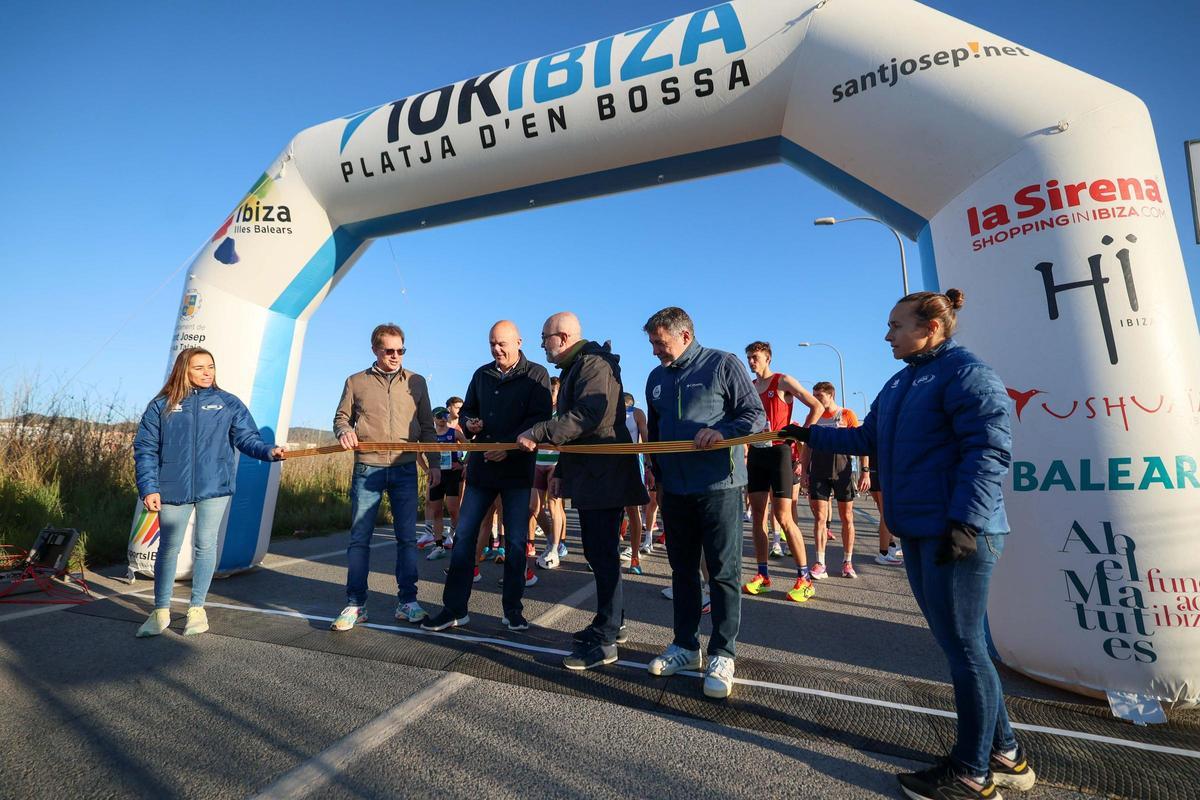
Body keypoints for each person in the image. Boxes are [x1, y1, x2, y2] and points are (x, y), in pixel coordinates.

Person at [781, 289, 1033, 800]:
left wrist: (967, 521)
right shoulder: (900, 382)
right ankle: (1005, 754)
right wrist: (808, 435)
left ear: (932, 326)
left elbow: (988, 449)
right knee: (964, 648)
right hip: (918, 528)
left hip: (958, 533)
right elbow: (866, 438)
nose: (887, 334)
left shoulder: (966, 373)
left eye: (896, 325)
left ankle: (972, 775)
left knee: (966, 650)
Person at [641, 307, 765, 699]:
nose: (656, 351)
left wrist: (722, 431)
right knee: (681, 570)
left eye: (660, 343)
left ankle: (723, 652)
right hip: (674, 489)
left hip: (719, 485)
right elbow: (658, 432)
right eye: (653, 344)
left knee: (723, 572)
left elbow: (755, 416)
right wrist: (656, 473)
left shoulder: (722, 364)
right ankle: (685, 646)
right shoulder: (656, 378)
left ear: (685, 336)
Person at [517, 312, 648, 670]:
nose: (541, 343)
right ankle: (612, 623)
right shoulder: (581, 365)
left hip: (605, 473)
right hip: (592, 471)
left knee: (602, 552)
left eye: (544, 337)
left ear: (563, 336)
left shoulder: (593, 364)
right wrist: (563, 468)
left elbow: (589, 416)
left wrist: (538, 432)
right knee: (598, 551)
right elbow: (583, 428)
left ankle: (606, 641)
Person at [133, 347, 283, 637]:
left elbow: (248, 438)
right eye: (199, 367)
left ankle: (196, 610)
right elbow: (145, 449)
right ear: (183, 370)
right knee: (169, 547)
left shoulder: (228, 403)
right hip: (172, 487)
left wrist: (269, 452)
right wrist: (149, 487)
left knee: (205, 544)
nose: (207, 372)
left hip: (215, 486)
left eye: (210, 367)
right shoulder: (161, 405)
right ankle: (160, 611)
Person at [423, 321, 552, 633]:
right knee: (465, 537)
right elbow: (466, 413)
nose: (497, 349)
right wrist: (470, 424)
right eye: (492, 344)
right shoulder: (482, 374)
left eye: (502, 343)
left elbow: (541, 420)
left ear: (519, 342)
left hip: (518, 469)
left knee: (517, 541)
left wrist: (507, 448)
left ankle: (513, 611)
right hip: (482, 469)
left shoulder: (537, 375)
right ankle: (454, 608)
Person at [331, 323, 438, 630]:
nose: (395, 356)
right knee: (359, 539)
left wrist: (434, 463)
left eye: (400, 350)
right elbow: (341, 417)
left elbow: (428, 426)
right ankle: (355, 605)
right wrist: (344, 430)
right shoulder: (356, 381)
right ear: (375, 350)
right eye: (389, 350)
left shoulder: (417, 382)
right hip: (368, 468)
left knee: (406, 539)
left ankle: (408, 602)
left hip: (405, 468)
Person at [741, 341, 821, 602]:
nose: (752, 362)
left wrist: (800, 433)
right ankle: (763, 576)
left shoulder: (782, 380)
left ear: (768, 358)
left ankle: (804, 578)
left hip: (779, 452)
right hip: (757, 453)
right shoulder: (750, 388)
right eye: (749, 358)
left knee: (783, 517)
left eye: (756, 357)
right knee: (757, 517)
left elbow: (816, 406)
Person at [803, 381, 867, 579]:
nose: (816, 400)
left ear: (831, 396)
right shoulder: (813, 416)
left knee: (847, 517)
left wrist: (865, 471)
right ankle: (820, 562)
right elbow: (807, 446)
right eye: (814, 396)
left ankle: (847, 562)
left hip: (843, 471)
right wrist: (805, 470)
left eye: (819, 396)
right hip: (819, 471)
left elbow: (861, 443)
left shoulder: (846, 414)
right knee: (820, 518)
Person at [423, 406, 467, 560]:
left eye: (445, 415)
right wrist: (426, 469)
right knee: (436, 511)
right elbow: (417, 453)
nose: (443, 418)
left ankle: (456, 538)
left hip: (452, 475)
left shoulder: (454, 433)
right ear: (433, 418)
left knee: (453, 509)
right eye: (439, 415)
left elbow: (470, 447)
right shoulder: (429, 436)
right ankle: (439, 546)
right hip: (436, 475)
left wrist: (463, 464)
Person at [532, 377, 567, 569]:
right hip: (537, 462)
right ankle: (552, 541)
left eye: (555, 391)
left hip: (554, 463)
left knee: (554, 505)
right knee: (534, 507)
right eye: (549, 391)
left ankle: (555, 549)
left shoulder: (563, 414)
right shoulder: (539, 413)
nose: (551, 394)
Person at [621, 392, 649, 573]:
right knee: (611, 511)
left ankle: (635, 559)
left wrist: (649, 467)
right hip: (611, 465)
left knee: (633, 510)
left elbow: (646, 441)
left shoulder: (637, 413)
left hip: (632, 465)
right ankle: (606, 553)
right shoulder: (608, 412)